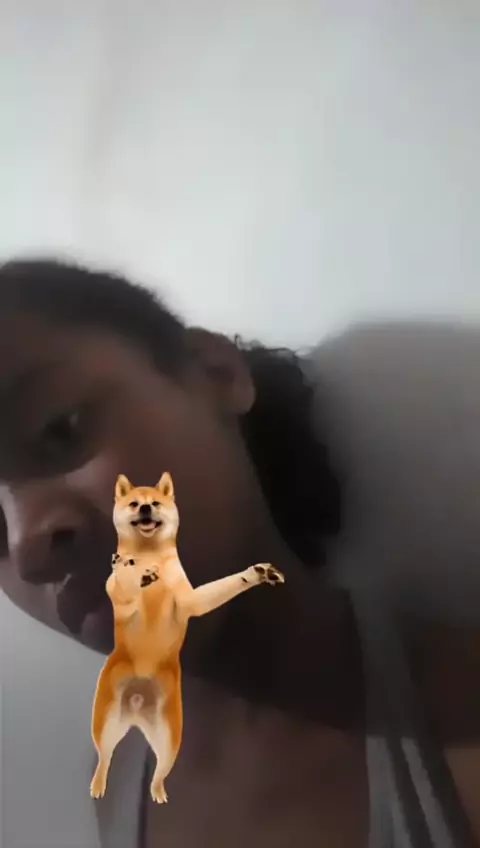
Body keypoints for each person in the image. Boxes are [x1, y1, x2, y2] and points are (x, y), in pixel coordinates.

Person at [0, 257, 479, 848]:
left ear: (216, 372)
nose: (27, 550)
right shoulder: (123, 773)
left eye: (60, 429)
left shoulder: (461, 718)